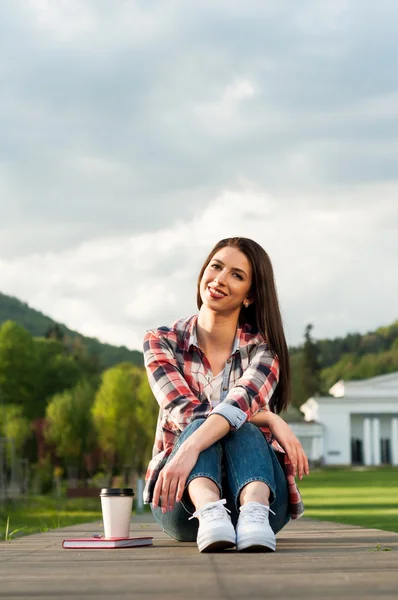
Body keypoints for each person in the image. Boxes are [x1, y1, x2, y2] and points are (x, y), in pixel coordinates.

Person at [143, 237, 309, 553]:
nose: (220, 279)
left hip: (265, 504)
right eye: (216, 266)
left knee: (238, 424)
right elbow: (184, 412)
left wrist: (242, 415)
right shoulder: (160, 342)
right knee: (223, 422)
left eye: (237, 275)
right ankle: (209, 509)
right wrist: (267, 417)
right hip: (183, 504)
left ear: (250, 295)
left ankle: (254, 509)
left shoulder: (263, 353)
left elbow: (237, 407)